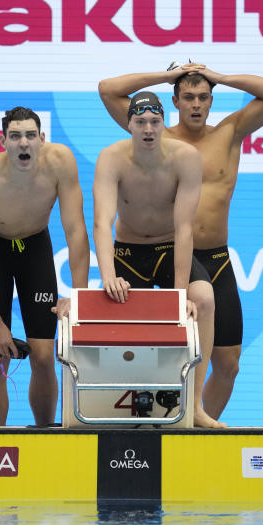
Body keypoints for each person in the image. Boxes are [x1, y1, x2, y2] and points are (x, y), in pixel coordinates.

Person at [98, 62, 263, 421]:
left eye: (203, 97)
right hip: (163, 250)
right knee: (143, 352)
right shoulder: (155, 133)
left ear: (212, 100)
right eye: (188, 97)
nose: (196, 104)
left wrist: (223, 76)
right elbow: (109, 89)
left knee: (228, 363)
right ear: (175, 101)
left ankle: (194, 426)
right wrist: (165, 75)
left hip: (212, 256)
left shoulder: (229, 132)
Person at [92, 91, 224, 429]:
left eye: (155, 121)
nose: (148, 129)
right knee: (116, 309)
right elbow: (102, 223)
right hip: (128, 250)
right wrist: (108, 275)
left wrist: (179, 296)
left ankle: (193, 404)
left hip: (169, 248)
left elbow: (183, 228)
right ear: (129, 125)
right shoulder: (111, 158)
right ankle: (123, 407)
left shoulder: (186, 157)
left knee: (203, 299)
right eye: (140, 122)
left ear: (164, 123)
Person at [0, 107, 90, 426]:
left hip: (34, 247)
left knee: (45, 358)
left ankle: (44, 436)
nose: (23, 143)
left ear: (42, 139)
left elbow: (75, 230)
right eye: (15, 136)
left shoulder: (61, 163)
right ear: (3, 141)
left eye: (30, 135)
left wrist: (80, 297)